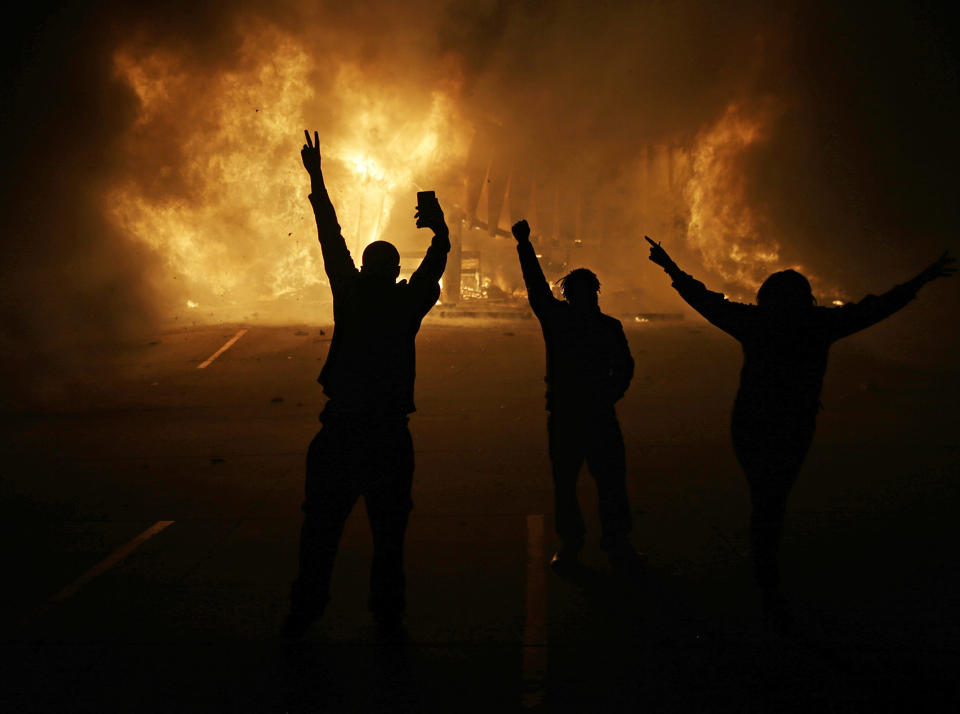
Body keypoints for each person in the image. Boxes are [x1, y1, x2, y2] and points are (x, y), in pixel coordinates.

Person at [645, 235, 955, 629]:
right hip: (792, 424)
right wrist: (921, 279)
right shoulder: (819, 325)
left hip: (752, 422)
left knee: (765, 498)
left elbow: (705, 301)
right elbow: (875, 309)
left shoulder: (757, 323)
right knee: (773, 500)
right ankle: (768, 584)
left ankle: (766, 577)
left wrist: (670, 267)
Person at [282, 131, 449, 639]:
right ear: (397, 271)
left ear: (364, 266)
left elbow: (329, 237)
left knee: (320, 530)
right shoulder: (406, 304)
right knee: (389, 532)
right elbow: (436, 263)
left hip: (340, 431)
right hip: (387, 435)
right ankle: (388, 616)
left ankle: (304, 614)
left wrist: (317, 179)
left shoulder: (350, 293)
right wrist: (440, 230)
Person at [511, 219, 642, 573]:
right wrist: (610, 395)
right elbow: (625, 368)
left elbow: (536, 288)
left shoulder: (561, 320)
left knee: (569, 485)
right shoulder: (604, 326)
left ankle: (573, 545)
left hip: (571, 416)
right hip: (594, 415)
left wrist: (524, 244)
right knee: (607, 482)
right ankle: (614, 542)